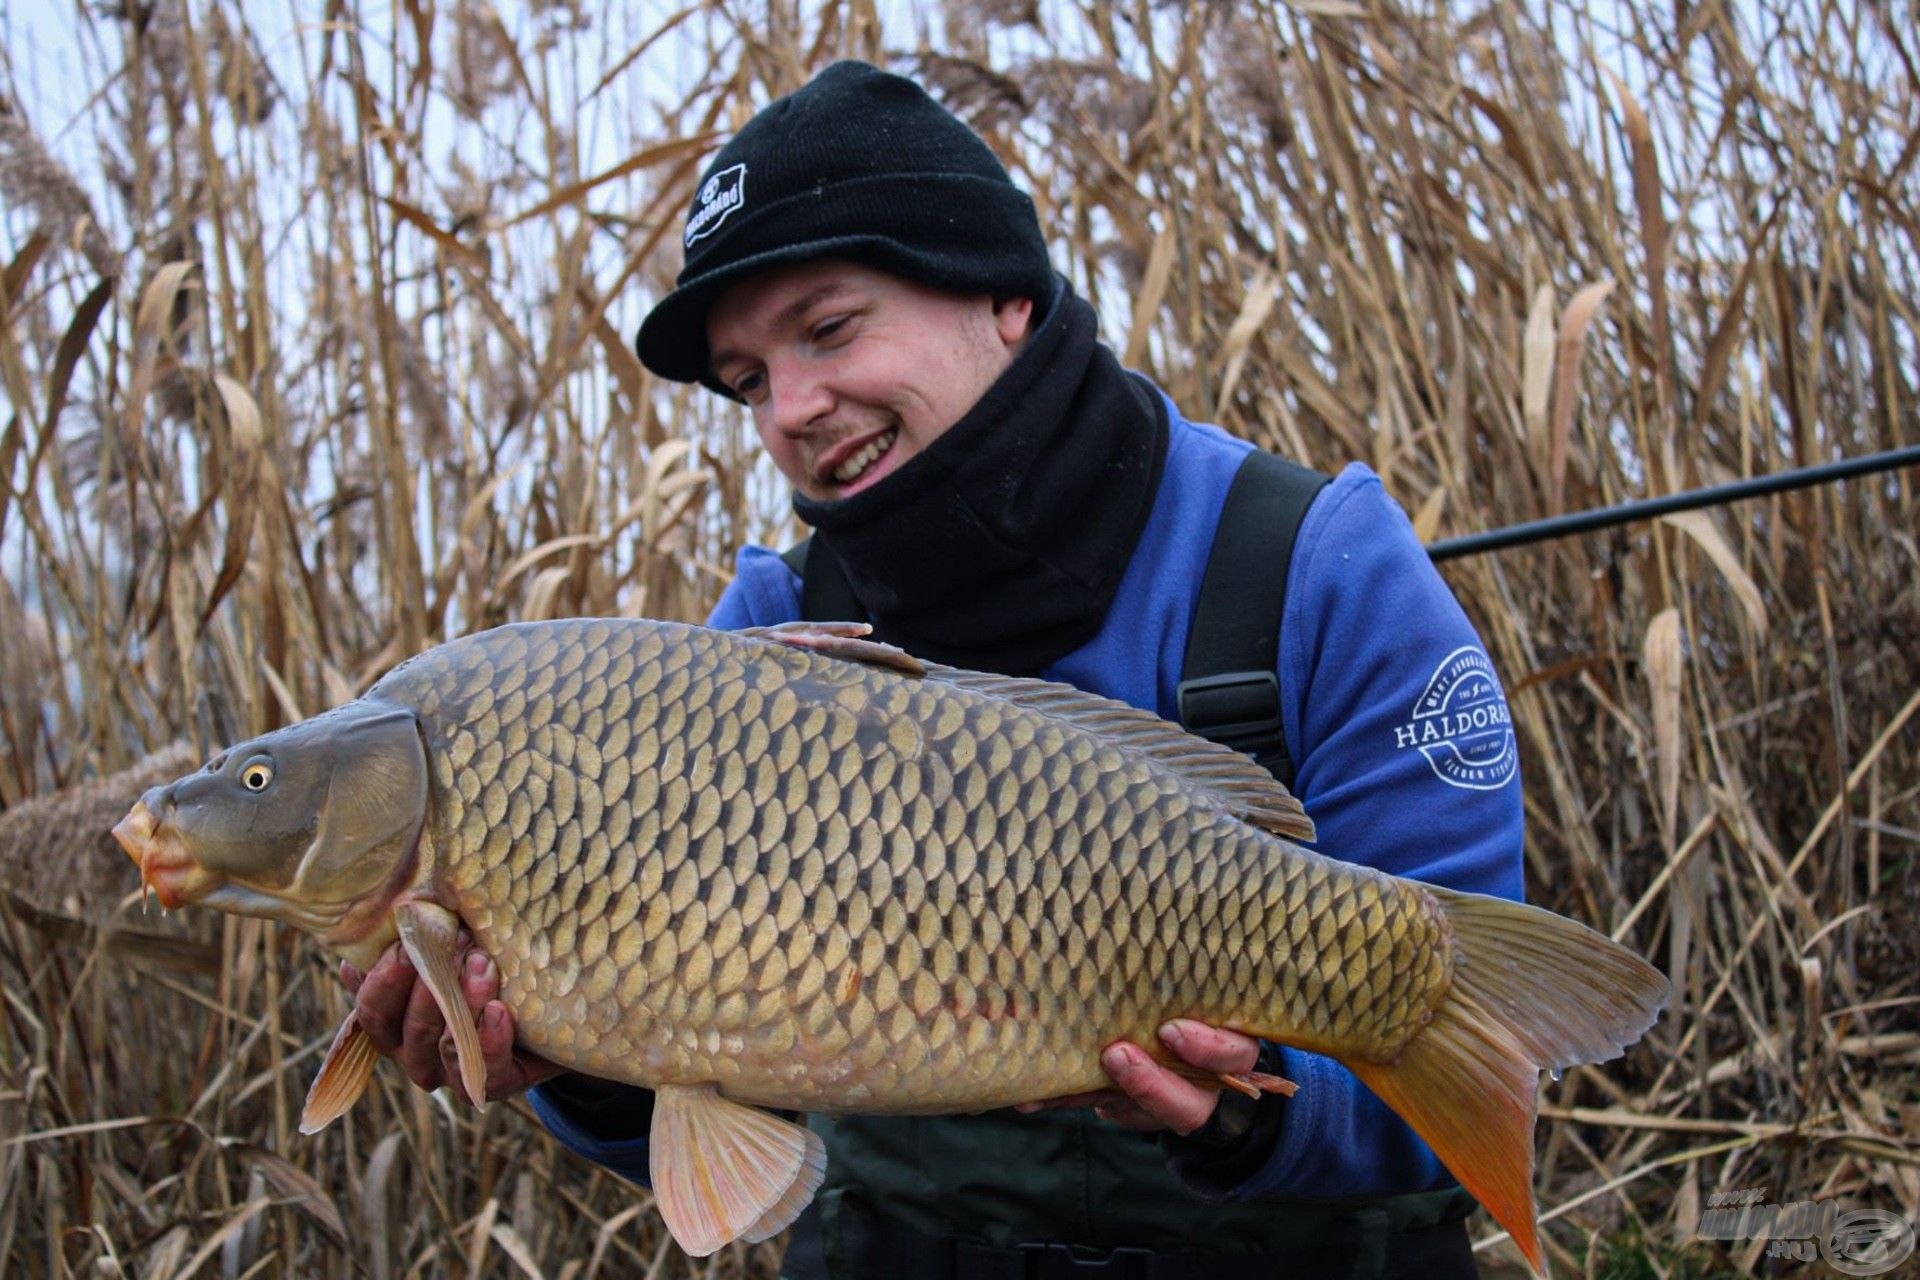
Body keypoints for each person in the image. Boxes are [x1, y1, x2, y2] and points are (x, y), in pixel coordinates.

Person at [343, 61, 1524, 1279]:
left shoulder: (1316, 563)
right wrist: (570, 1050)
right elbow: (699, 1113)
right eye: (749, 380)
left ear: (1003, 291)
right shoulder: (771, 627)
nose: (791, 406)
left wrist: (1250, 1110)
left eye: (830, 327)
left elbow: (1459, 1087)